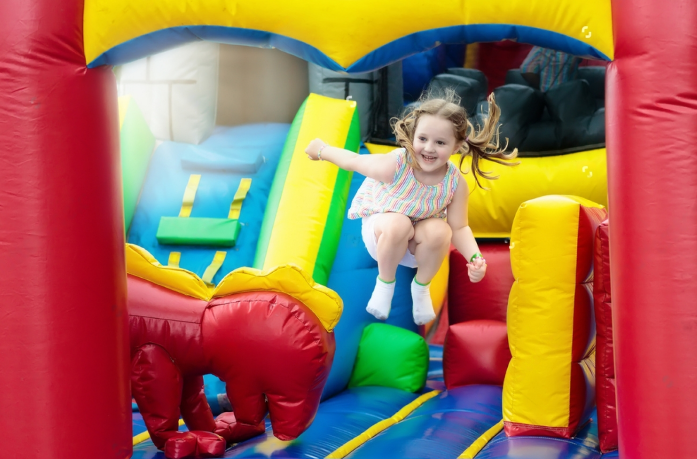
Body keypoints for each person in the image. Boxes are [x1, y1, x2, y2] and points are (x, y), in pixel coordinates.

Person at [305, 91, 517, 325]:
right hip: (383, 233)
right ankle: (384, 284)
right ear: (413, 136)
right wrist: (322, 150)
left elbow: (460, 227)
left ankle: (421, 287)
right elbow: (354, 161)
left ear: (457, 146)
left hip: (417, 247)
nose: (429, 148)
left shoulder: (455, 183)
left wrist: (475, 257)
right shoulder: (396, 164)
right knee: (399, 223)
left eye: (440, 142)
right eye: (423, 139)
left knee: (441, 230)